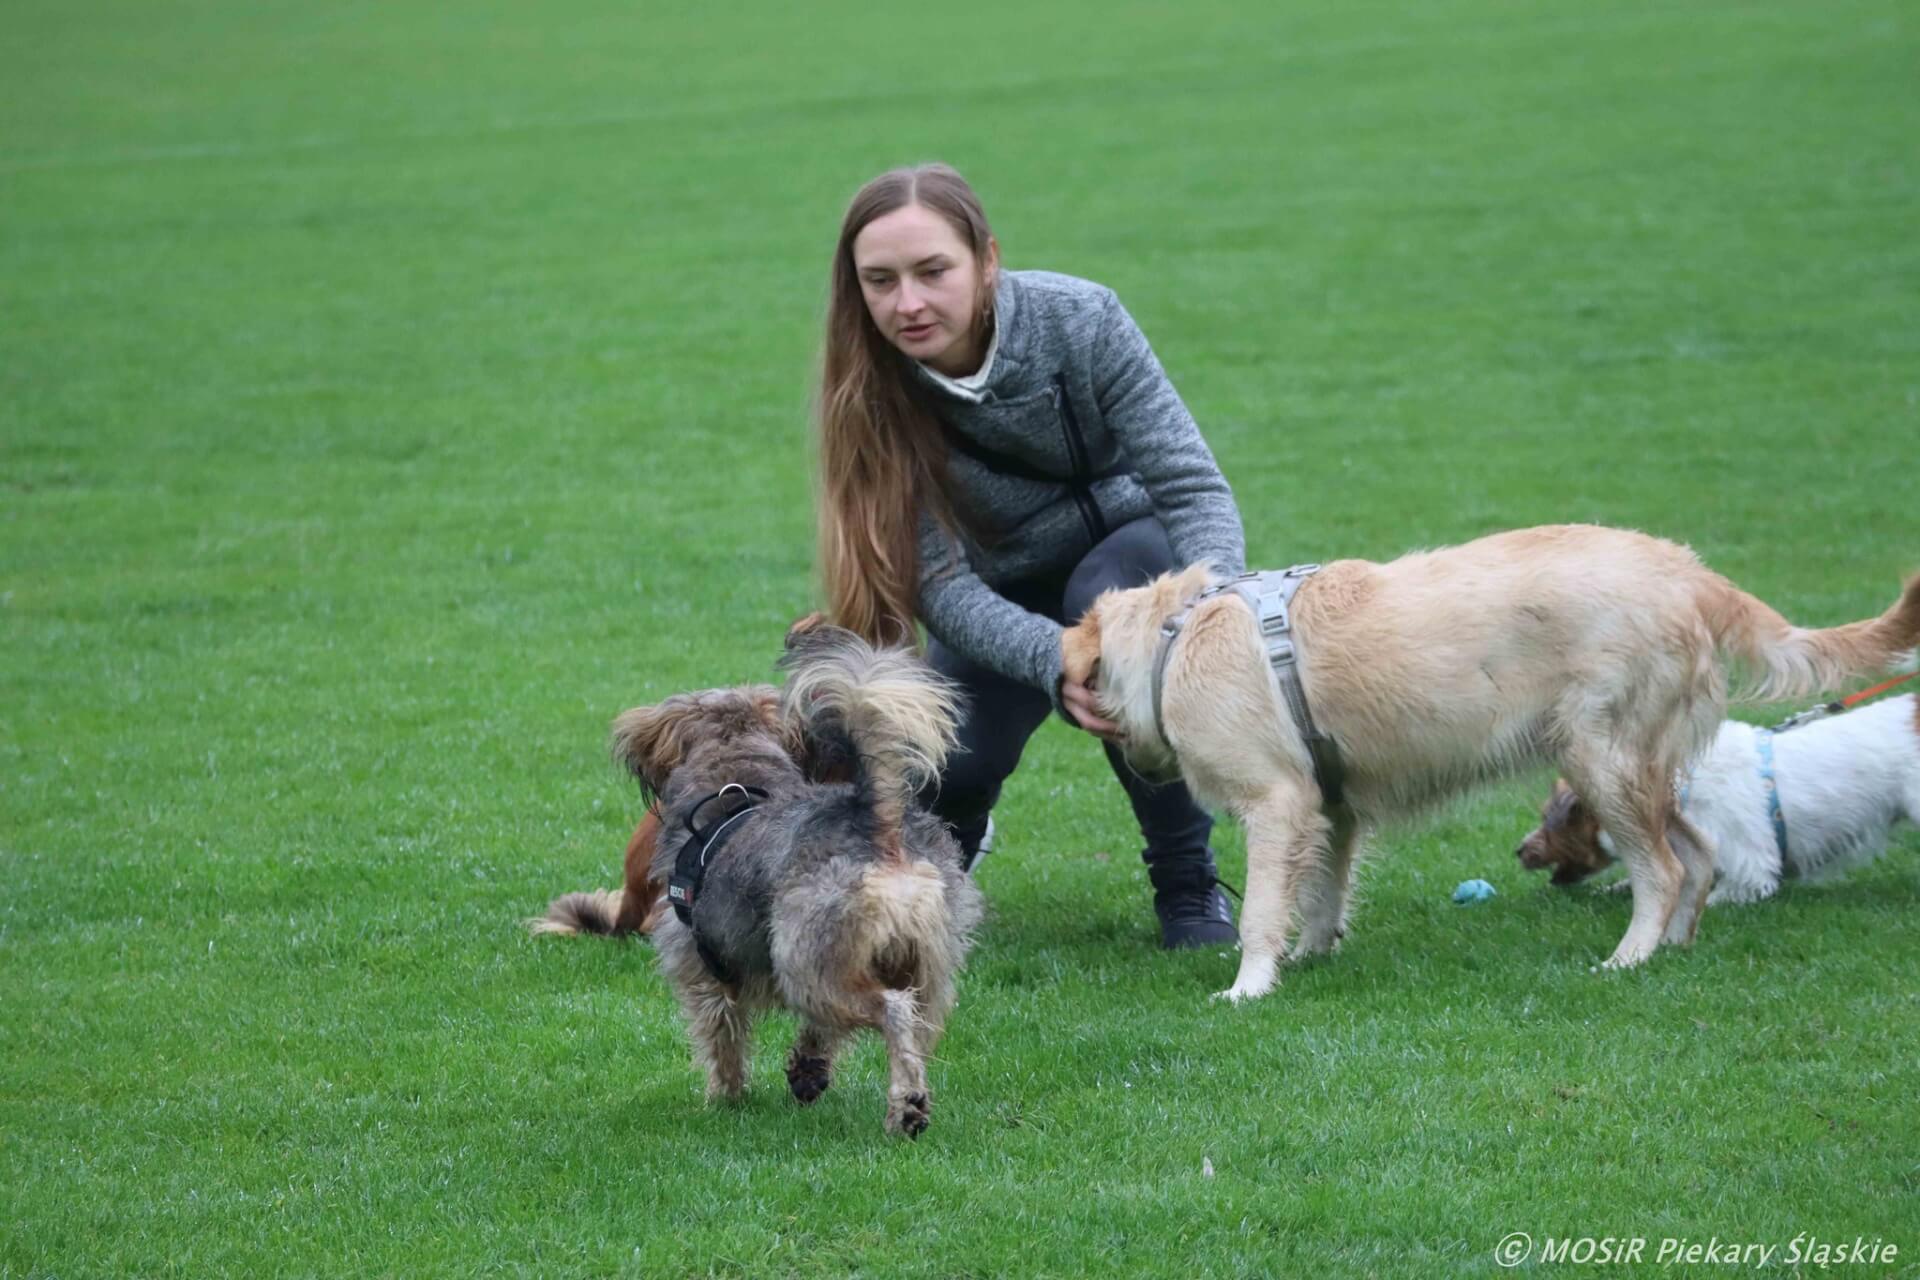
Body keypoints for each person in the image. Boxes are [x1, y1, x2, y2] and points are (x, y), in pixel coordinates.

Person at [813, 163, 1247, 948]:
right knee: (951, 764)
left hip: (1128, 554)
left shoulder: (1080, 319)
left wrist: (1211, 614)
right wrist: (1053, 657)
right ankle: (954, 846)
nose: (907, 303)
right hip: (999, 593)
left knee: (1126, 640)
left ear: (987, 260)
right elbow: (937, 581)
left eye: (932, 271)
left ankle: (1188, 883)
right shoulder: (867, 388)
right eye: (880, 281)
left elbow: (1191, 485)